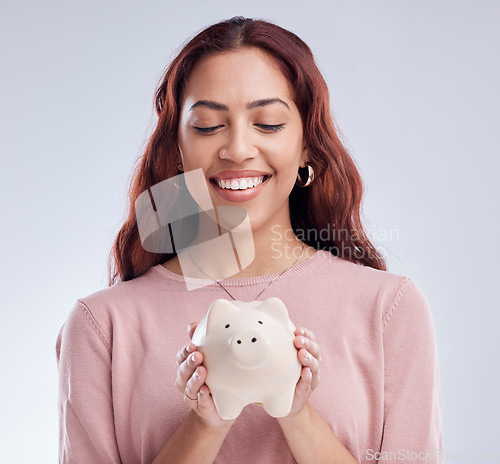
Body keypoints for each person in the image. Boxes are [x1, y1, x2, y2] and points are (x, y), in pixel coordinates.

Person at [56, 16, 443, 464]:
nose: (238, 149)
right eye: (206, 126)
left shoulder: (388, 310)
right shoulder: (102, 326)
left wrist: (296, 413)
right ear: (177, 151)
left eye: (269, 123)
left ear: (307, 148)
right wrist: (206, 422)